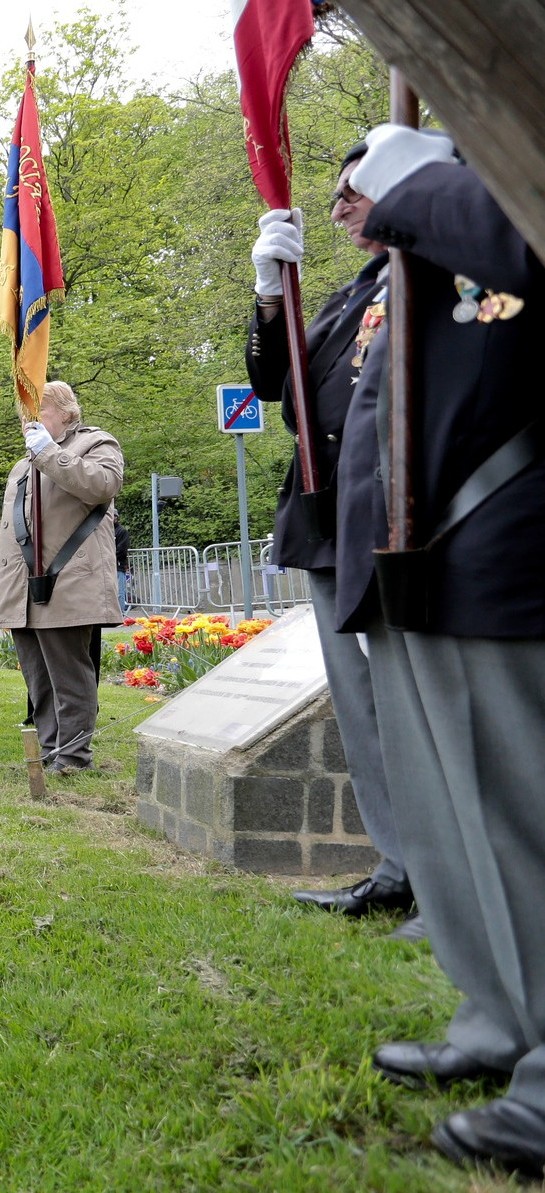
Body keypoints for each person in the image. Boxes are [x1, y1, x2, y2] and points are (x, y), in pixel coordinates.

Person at [325, 128, 545, 1175]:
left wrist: (426, 183)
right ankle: (500, 1014)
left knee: (521, 822)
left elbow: (521, 246)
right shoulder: (417, 234)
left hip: (500, 532)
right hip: (426, 554)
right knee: (462, 830)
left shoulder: (489, 180)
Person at [244, 140, 416, 930]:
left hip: (393, 517)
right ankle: (400, 863)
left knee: (410, 704)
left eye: (354, 190)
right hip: (327, 518)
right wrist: (269, 295)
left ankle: (441, 869)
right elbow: (276, 384)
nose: (338, 206)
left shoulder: (430, 276)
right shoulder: (355, 294)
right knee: (362, 704)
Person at [0, 380, 124, 775]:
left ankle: (74, 756)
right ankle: (51, 752)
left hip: (68, 582)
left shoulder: (95, 443)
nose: (28, 422)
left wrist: (48, 453)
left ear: (67, 413)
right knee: (39, 680)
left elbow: (103, 485)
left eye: (38, 412)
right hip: (23, 589)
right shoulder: (22, 465)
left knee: (69, 677)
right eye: (25, 415)